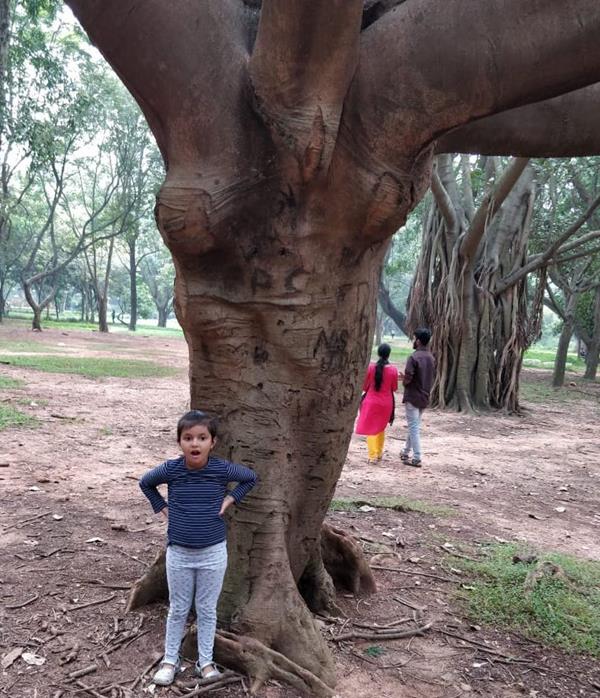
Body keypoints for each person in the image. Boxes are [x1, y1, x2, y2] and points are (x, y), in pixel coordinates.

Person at [139, 410, 258, 686]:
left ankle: (205, 662)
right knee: (178, 609)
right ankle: (170, 660)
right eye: (188, 438)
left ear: (212, 442)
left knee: (207, 610)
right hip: (179, 554)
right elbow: (146, 483)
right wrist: (162, 507)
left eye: (202, 438)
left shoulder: (221, 469)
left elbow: (250, 477)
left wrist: (230, 499)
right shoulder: (172, 469)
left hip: (213, 554)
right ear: (180, 442)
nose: (195, 443)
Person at [355, 343, 399, 462]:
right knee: (381, 427)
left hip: (371, 402)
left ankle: (372, 456)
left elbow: (365, 386)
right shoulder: (393, 370)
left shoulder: (370, 368)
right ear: (389, 354)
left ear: (378, 353)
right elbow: (394, 388)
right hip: (386, 403)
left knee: (371, 428)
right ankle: (379, 453)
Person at [401, 328, 435, 468]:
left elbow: (409, 377)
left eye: (415, 339)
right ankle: (405, 451)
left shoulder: (414, 357)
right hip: (424, 396)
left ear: (419, 341)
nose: (414, 341)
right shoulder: (431, 358)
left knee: (414, 427)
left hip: (413, 396)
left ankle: (417, 457)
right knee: (414, 425)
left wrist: (404, 381)